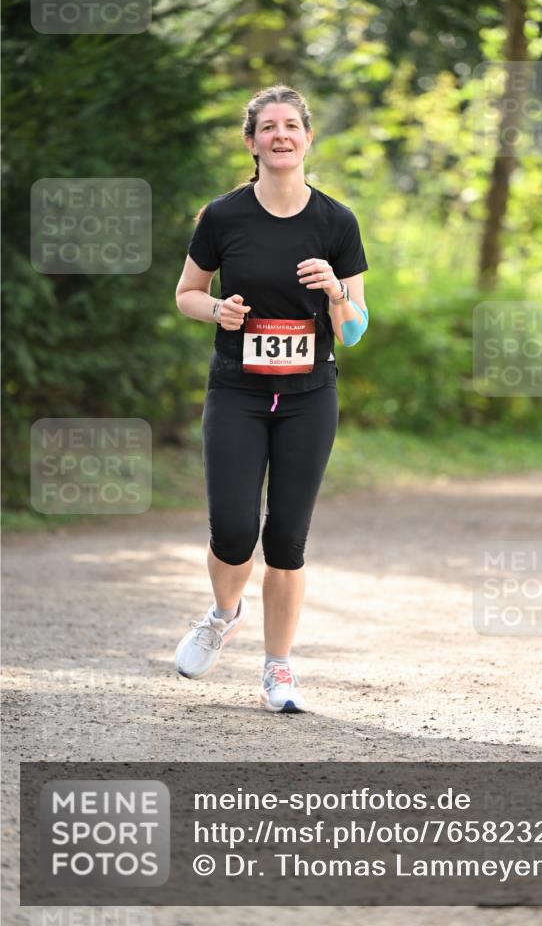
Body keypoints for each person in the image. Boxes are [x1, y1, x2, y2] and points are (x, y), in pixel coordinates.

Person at [173, 85, 369, 713]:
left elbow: (355, 330)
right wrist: (218, 311)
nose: (280, 135)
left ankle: (278, 667)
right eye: (268, 127)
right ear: (252, 142)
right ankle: (222, 614)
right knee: (234, 530)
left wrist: (337, 292)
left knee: (286, 538)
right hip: (238, 391)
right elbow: (186, 293)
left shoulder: (337, 222)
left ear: (308, 138)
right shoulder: (222, 217)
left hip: (309, 397)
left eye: (291, 125)